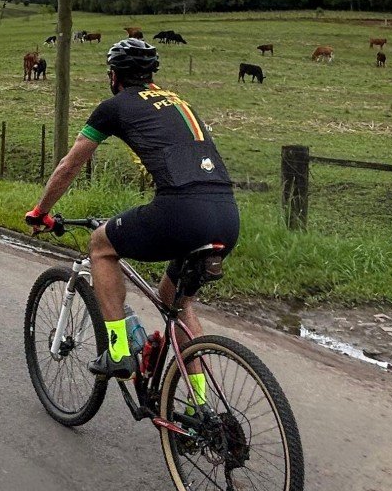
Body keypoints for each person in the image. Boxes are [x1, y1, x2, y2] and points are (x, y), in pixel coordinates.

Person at [26, 37, 239, 376]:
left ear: (114, 75)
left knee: (100, 245)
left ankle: (119, 351)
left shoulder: (115, 106)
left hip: (180, 212)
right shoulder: (179, 102)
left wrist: (40, 211)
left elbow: (70, 166)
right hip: (226, 216)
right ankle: (204, 407)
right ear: (151, 73)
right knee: (175, 302)